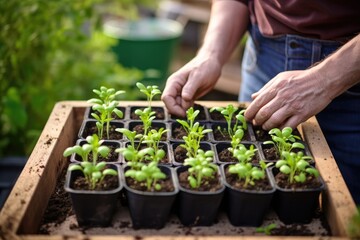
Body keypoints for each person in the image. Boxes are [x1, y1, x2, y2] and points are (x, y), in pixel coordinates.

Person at [161, 0, 360, 204]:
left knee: (343, 211)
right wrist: (210, 54)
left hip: (351, 76)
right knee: (247, 182)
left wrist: (325, 78)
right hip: (264, 56)